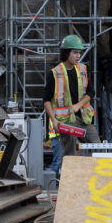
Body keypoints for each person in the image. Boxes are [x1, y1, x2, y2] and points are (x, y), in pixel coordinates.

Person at [43, 34, 101, 176]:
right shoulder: (55, 73)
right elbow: (46, 100)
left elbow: (91, 93)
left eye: (79, 52)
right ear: (66, 53)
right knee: (69, 155)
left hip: (84, 119)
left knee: (98, 146)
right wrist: (54, 120)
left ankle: (96, 179)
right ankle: (71, 182)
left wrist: (78, 105)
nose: (78, 55)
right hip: (66, 122)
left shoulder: (83, 69)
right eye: (75, 52)